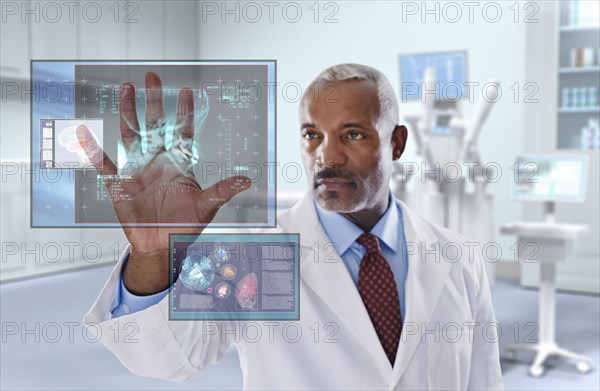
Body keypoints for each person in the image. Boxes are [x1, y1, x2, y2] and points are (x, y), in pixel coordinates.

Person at [82, 64, 504, 390]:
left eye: (352, 135)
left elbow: (483, 379)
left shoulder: (458, 257)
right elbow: (166, 357)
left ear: (396, 142)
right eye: (311, 135)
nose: (327, 155)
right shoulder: (259, 259)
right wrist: (153, 257)